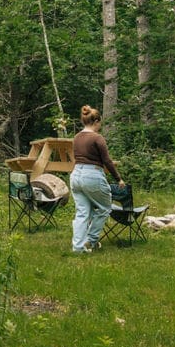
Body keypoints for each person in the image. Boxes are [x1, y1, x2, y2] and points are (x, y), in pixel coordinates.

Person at [69, 105, 125, 253]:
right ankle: (91, 241)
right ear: (96, 122)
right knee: (104, 207)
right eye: (100, 123)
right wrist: (118, 178)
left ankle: (78, 248)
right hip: (92, 175)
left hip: (75, 175)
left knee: (82, 213)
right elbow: (107, 161)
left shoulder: (76, 137)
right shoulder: (97, 137)